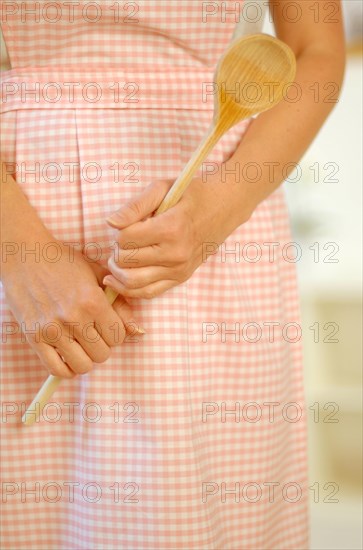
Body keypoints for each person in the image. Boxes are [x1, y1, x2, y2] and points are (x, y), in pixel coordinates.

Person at [0, 1, 345, 549]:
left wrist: (220, 209)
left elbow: (316, 50)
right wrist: (18, 249)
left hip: (218, 216)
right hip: (20, 210)